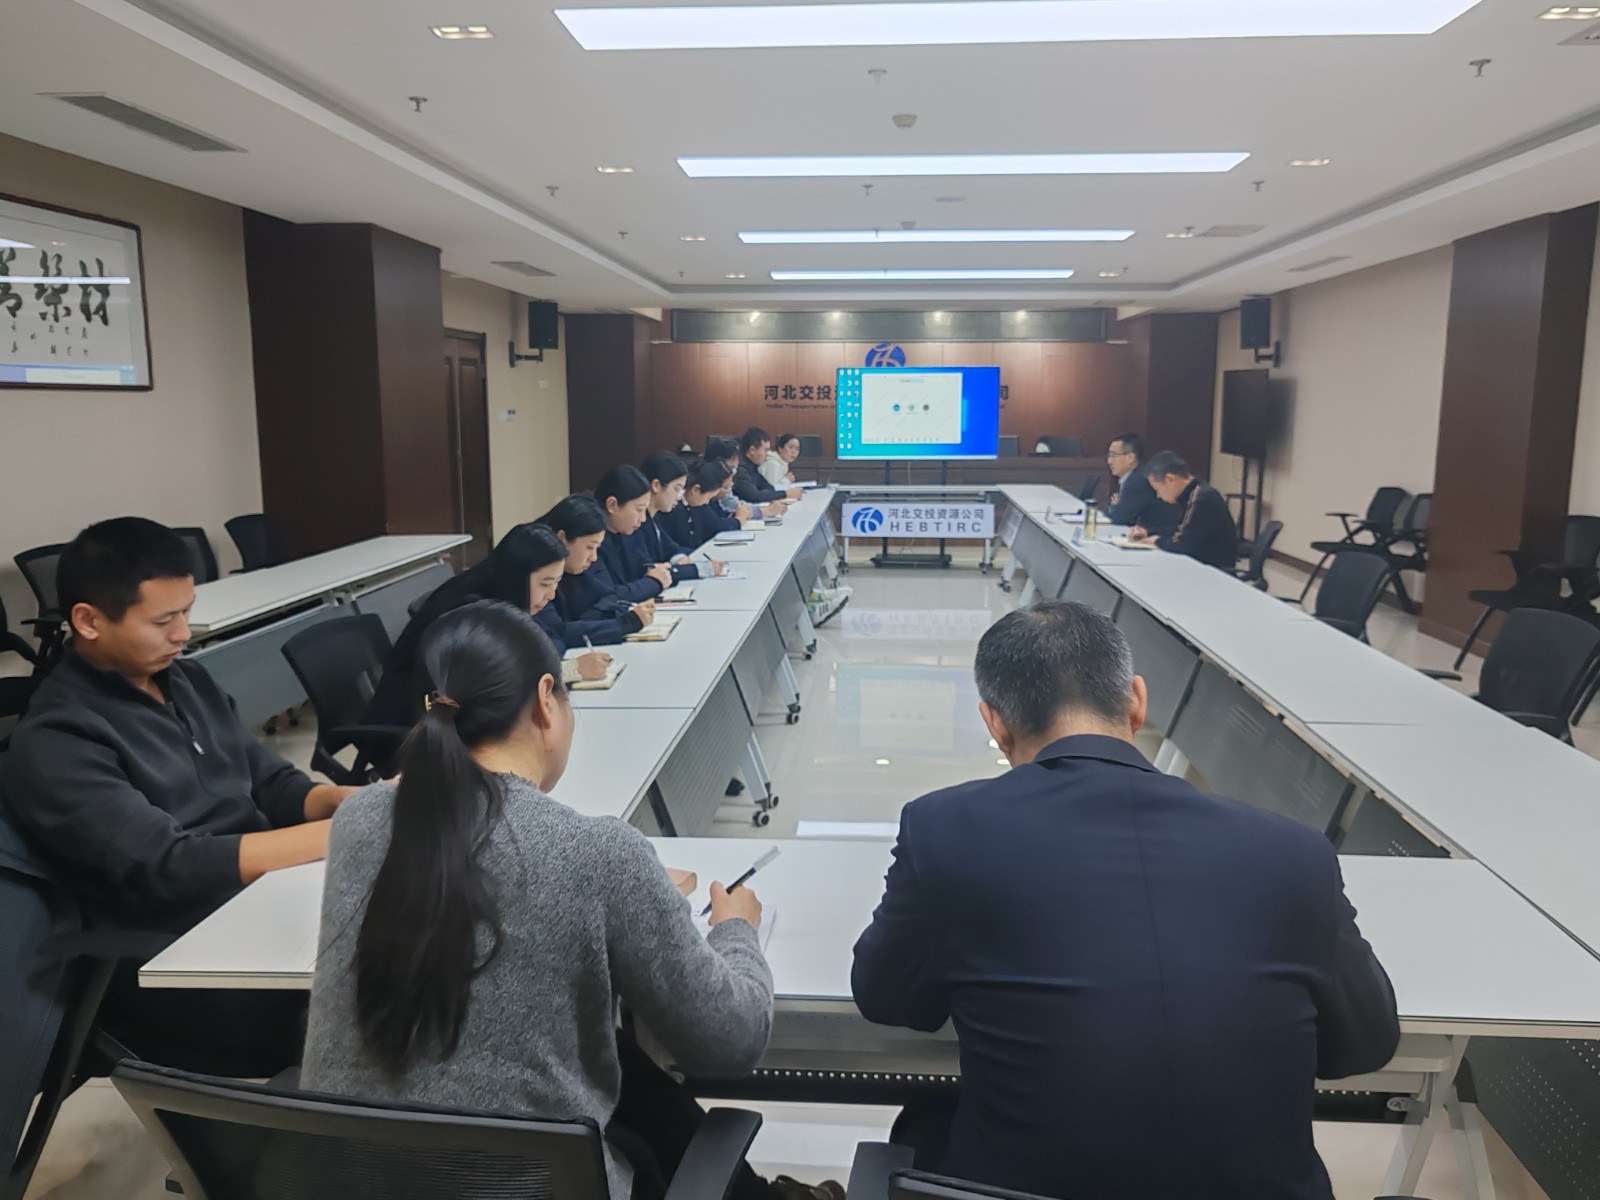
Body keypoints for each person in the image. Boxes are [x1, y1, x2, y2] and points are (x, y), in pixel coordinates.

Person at [852, 600, 1400, 1200]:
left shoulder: (945, 829)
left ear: (995, 724)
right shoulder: (1294, 852)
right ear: (1137, 701)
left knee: (926, 1120)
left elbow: (888, 999)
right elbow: (1364, 1045)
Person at [300, 601, 803, 1200]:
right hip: (516, 1185)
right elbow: (733, 1039)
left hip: (346, 1181)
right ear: (546, 699)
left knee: (623, 1073)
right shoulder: (600, 854)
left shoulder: (357, 820)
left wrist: (623, 897)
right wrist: (735, 930)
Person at [3, 517, 359, 1074]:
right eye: (163, 620)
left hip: (256, 900)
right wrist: (345, 832)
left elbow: (270, 782)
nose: (183, 634)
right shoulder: (59, 739)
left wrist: (346, 802)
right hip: (176, 953)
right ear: (89, 621)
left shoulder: (188, 682)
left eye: (187, 612)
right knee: (377, 996)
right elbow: (170, 866)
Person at [364, 524, 613, 756]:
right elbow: (498, 686)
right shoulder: (472, 613)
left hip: (454, 721)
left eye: (557, 583)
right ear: (517, 575)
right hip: (414, 729)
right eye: (545, 583)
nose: (551, 595)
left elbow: (545, 645)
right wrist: (572, 670)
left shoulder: (500, 594)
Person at [534, 494, 654, 647]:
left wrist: (591, 619)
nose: (594, 557)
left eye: (597, 548)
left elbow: (609, 597)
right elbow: (558, 632)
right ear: (562, 538)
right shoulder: (537, 571)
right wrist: (626, 623)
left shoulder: (576, 566)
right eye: (589, 547)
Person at [1130, 450, 1239, 570]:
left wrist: (1156, 541)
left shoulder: (1200, 497)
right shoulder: (1194, 492)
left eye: (1157, 489)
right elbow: (1180, 530)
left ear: (1170, 479)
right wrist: (1149, 532)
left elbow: (1182, 543)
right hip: (1197, 562)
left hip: (1212, 569)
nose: (1158, 496)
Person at [592, 465, 674, 606]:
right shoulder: (590, 541)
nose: (643, 519)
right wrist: (654, 582)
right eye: (639, 510)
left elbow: (643, 566)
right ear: (612, 505)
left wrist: (654, 570)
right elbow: (609, 595)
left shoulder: (627, 532)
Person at [639, 451, 727, 580]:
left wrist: (678, 557)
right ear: (656, 486)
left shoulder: (654, 518)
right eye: (676, 489)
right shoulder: (637, 523)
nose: (679, 497)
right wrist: (700, 569)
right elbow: (647, 570)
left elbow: (670, 547)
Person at [1102, 433, 1178, 533]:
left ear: (1130, 458)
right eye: (1109, 456)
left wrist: (1114, 508)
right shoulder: (1133, 477)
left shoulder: (1138, 481)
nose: (1109, 461)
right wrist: (1117, 508)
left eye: (1113, 456)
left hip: (1160, 536)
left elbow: (1119, 517)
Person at [660, 459, 745, 545]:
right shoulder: (673, 508)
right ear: (695, 490)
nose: (707, 503)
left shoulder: (695, 505)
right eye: (708, 498)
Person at [708, 437, 781, 520]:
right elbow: (727, 511)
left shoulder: (750, 468)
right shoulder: (707, 489)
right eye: (731, 468)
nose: (733, 472)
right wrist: (764, 511)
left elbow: (733, 503)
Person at [732, 428, 803, 507]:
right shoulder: (739, 468)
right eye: (765, 451)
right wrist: (785, 494)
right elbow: (754, 496)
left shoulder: (753, 465)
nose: (767, 454)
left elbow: (767, 487)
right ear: (752, 450)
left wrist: (783, 493)